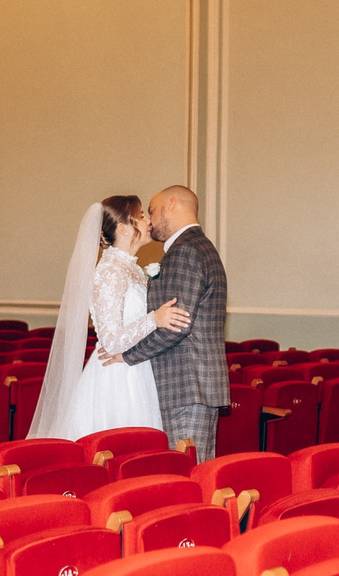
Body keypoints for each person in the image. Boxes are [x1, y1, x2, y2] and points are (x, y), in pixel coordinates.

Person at [25, 195, 191, 439]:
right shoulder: (109, 271)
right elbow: (111, 341)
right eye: (140, 216)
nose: (148, 221)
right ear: (123, 228)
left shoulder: (133, 269)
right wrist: (154, 319)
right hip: (116, 378)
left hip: (137, 367)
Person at [117, 185, 230, 459]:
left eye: (152, 210)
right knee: (193, 469)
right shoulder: (198, 246)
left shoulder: (186, 250)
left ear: (171, 204)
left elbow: (176, 324)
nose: (149, 221)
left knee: (184, 472)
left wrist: (128, 356)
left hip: (184, 386)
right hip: (191, 386)